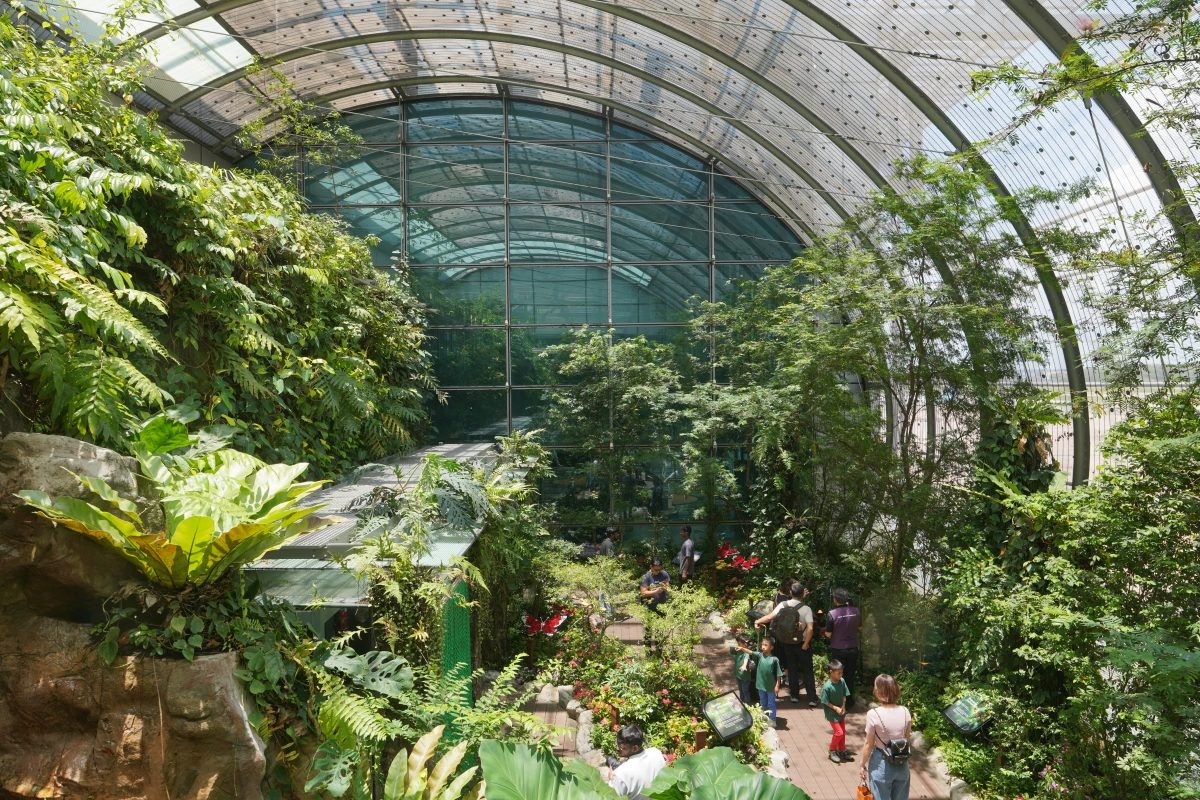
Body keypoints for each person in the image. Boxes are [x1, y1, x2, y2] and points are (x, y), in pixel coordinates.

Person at [753, 583, 817, 707]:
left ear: (791, 593)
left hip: (787, 642)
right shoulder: (806, 609)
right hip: (802, 643)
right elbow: (810, 628)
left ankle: (794, 696)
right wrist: (806, 644)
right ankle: (812, 699)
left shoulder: (783, 605)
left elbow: (770, 617)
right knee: (807, 670)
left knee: (792, 668)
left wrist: (758, 621)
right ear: (802, 594)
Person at [857, 674, 912, 800]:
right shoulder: (905, 711)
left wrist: (862, 764)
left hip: (881, 763)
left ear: (878, 691)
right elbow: (908, 740)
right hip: (902, 763)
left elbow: (869, 744)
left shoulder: (873, 714)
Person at [606, 725, 667, 797]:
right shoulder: (656, 752)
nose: (617, 748)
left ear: (635, 748)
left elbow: (611, 796)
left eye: (622, 747)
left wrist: (611, 779)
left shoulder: (620, 774)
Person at [824, 587, 862, 703]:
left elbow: (828, 634)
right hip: (853, 648)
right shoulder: (856, 611)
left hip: (838, 649)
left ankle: (839, 700)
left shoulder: (832, 614)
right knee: (850, 674)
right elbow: (860, 628)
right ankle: (849, 700)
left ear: (835, 599)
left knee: (838, 674)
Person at [820, 659, 852, 764]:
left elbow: (844, 695)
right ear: (831, 672)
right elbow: (825, 701)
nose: (840, 675)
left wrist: (843, 706)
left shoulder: (842, 681)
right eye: (838, 673)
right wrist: (835, 708)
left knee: (843, 732)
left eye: (841, 673)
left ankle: (842, 750)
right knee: (839, 732)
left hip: (841, 712)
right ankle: (832, 750)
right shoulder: (827, 687)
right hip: (832, 714)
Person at [753, 635, 783, 725]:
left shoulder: (774, 660)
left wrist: (777, 686)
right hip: (760, 685)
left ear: (771, 647)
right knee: (763, 703)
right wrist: (741, 648)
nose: (763, 647)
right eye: (762, 644)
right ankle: (764, 718)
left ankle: (772, 721)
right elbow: (750, 652)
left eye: (766, 645)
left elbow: (778, 674)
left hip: (771, 687)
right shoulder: (759, 656)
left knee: (771, 704)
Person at [729, 633, 758, 707]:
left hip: (745, 676)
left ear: (745, 644)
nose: (738, 645)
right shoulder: (738, 650)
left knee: (745, 691)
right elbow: (729, 649)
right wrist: (718, 651)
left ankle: (747, 705)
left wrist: (744, 665)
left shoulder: (746, 652)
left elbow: (746, 658)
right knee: (740, 689)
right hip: (738, 675)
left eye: (739, 644)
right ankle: (742, 702)